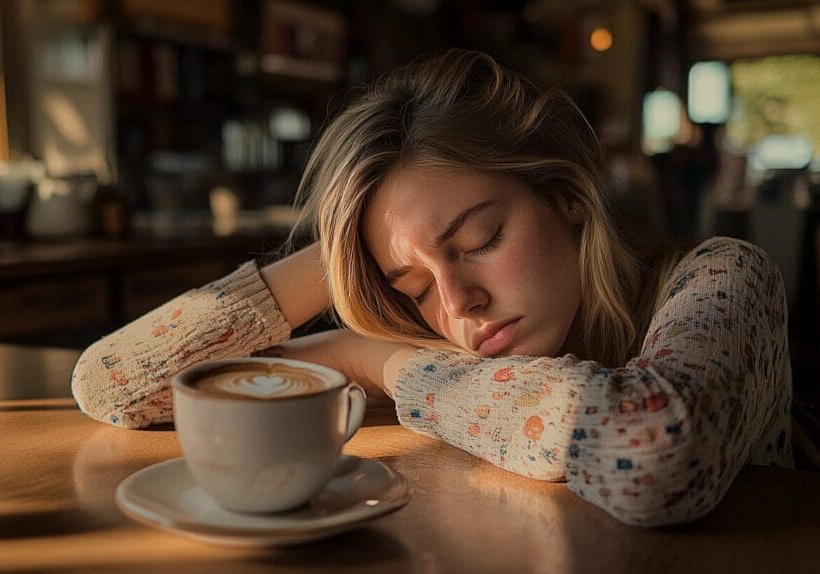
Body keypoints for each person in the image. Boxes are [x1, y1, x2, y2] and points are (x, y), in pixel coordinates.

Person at [71, 50, 794, 526]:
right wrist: (351, 244)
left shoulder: (725, 276)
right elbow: (112, 386)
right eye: (411, 284)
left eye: (480, 240)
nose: (455, 304)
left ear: (567, 196)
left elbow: (651, 455)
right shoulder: (440, 324)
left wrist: (379, 362)